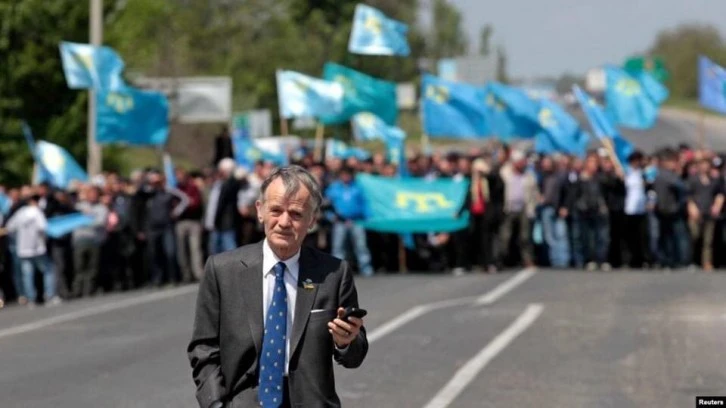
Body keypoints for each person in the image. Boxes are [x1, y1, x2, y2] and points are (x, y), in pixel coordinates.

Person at [188, 165, 368, 408]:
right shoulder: (222, 270)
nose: (284, 222)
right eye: (276, 210)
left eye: (295, 214)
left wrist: (346, 341)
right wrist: (216, 404)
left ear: (312, 220)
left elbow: (355, 355)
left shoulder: (334, 273)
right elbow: (204, 348)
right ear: (259, 211)